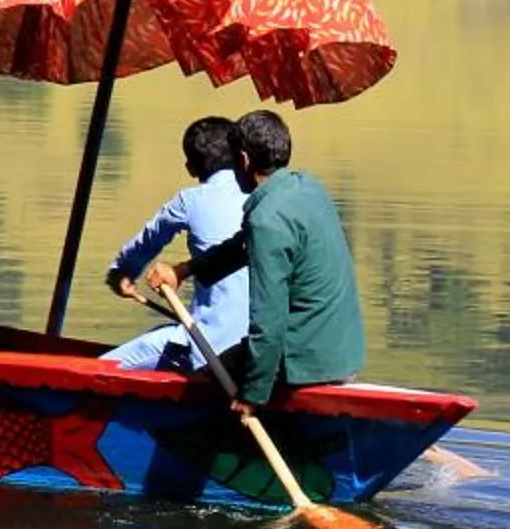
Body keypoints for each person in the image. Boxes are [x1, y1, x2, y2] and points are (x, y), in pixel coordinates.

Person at [146, 109, 363, 413]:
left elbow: (268, 323)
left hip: (305, 358)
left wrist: (252, 395)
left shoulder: (267, 220)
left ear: (244, 161)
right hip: (344, 353)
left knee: (201, 388)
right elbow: (243, 244)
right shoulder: (308, 188)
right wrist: (185, 270)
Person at [100, 115, 249, 369]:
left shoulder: (188, 201)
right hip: (262, 349)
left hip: (209, 349)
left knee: (98, 370)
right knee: (164, 333)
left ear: (190, 168)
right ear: (242, 156)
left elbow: (147, 241)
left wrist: (122, 273)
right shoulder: (270, 200)